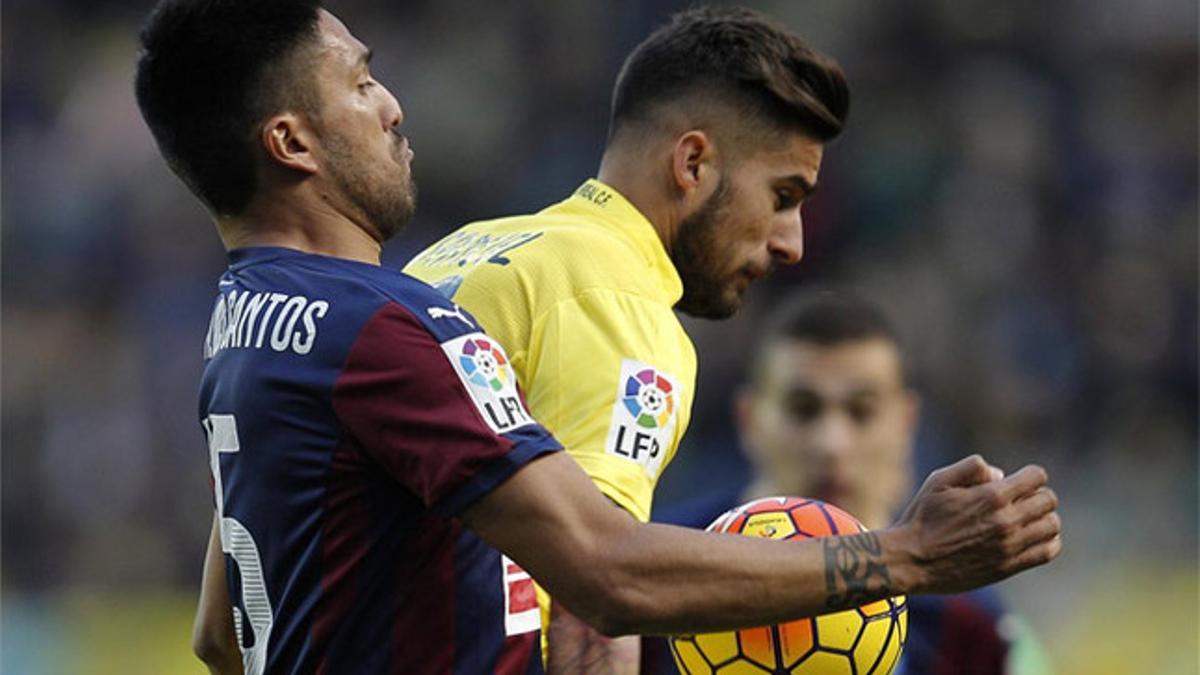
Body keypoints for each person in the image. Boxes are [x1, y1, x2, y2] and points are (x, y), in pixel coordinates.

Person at [135, 2, 1062, 674]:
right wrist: (910, 557)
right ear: (292, 143)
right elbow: (597, 589)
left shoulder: (278, 317)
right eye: (362, 80)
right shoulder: (591, 299)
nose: (393, 105)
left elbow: (222, 634)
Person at [401, 6, 865, 671]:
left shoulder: (460, 252)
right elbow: (593, 602)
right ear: (694, 162)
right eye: (783, 194)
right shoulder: (617, 303)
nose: (791, 241)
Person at [645, 292, 1055, 674]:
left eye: (861, 411)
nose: (832, 444)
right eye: (803, 410)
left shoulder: (969, 624)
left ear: (905, 424)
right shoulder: (651, 576)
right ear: (749, 420)